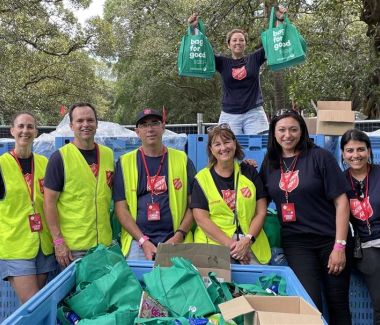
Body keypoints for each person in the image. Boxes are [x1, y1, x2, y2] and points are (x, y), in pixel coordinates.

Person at [260, 110, 352, 325]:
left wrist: (339, 246)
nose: (287, 135)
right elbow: (258, 198)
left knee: (338, 304)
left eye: (293, 129)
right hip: (297, 242)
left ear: (302, 131)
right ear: (273, 133)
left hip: (330, 239)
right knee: (310, 304)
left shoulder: (320, 157)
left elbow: (342, 202)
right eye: (281, 130)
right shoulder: (270, 162)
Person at [187, 6, 286, 135]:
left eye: (241, 40)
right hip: (229, 114)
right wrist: (194, 28)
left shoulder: (254, 58)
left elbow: (275, 42)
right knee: (226, 148)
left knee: (260, 147)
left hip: (254, 113)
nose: (238, 42)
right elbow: (201, 50)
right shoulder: (222, 62)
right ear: (229, 45)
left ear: (245, 43)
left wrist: (279, 19)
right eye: (234, 40)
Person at [113, 108, 195, 260]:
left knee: (181, 281)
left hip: (176, 239)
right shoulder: (125, 162)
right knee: (138, 281)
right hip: (138, 240)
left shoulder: (182, 159)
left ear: (163, 127)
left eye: (154, 123)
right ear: (137, 131)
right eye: (144, 125)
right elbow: (121, 208)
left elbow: (194, 205)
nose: (150, 129)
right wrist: (143, 241)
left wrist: (179, 236)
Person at [44, 103, 114, 268]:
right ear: (71, 125)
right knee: (81, 294)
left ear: (97, 124)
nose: (85, 125)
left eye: (90, 120)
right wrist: (58, 241)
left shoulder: (108, 154)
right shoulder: (60, 158)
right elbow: (49, 203)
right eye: (80, 120)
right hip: (74, 248)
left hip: (104, 245)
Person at [190, 123, 271, 264]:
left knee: (256, 284)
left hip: (250, 242)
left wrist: (247, 241)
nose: (223, 148)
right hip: (214, 244)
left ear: (235, 143)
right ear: (211, 149)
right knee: (218, 284)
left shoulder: (249, 172)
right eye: (217, 144)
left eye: (227, 141)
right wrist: (233, 246)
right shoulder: (202, 178)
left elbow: (261, 212)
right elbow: (201, 219)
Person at [0, 112, 56, 303]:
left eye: (30, 127)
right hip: (16, 245)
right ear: (12, 131)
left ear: (36, 132)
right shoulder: (1, 165)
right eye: (21, 126)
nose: (25, 131)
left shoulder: (44, 163)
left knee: (37, 305)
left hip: (43, 245)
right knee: (31, 303)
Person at [341, 129, 380, 325]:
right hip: (365, 245)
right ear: (343, 154)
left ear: (369, 150)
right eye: (350, 150)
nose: (355, 155)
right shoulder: (339, 181)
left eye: (360, 149)